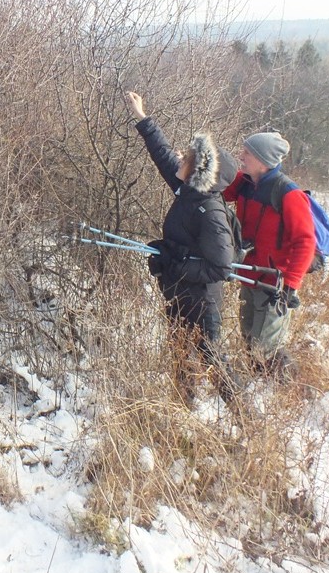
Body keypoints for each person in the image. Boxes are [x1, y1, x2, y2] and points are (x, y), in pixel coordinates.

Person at [124, 91, 241, 403]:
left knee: (213, 361)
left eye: (187, 157)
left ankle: (246, 418)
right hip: (179, 294)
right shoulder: (188, 191)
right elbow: (162, 155)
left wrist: (176, 264)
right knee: (180, 354)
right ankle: (183, 408)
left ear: (198, 171)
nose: (179, 157)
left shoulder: (210, 211)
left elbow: (221, 266)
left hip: (202, 303)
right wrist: (142, 116)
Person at [222, 131, 315, 380]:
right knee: (249, 338)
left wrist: (290, 286)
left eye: (247, 153)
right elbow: (218, 190)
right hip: (248, 277)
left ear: (263, 160)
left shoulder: (289, 194)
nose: (241, 156)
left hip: (275, 285)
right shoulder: (245, 182)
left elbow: (305, 242)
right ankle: (260, 385)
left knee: (267, 348)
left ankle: (289, 388)